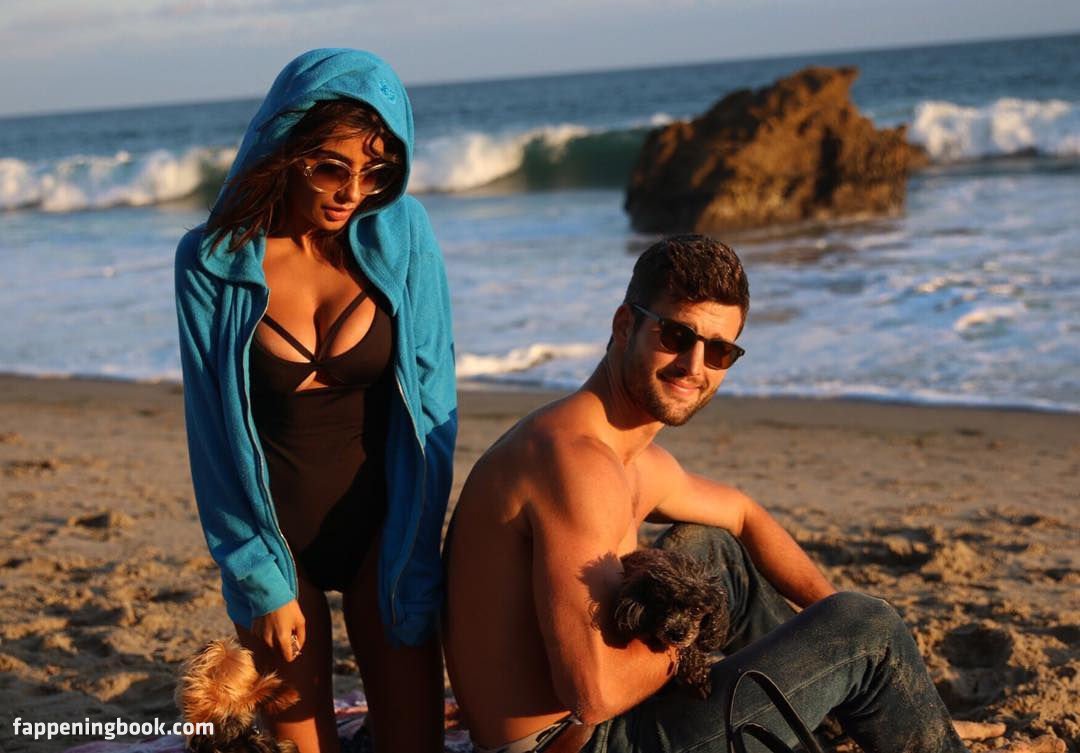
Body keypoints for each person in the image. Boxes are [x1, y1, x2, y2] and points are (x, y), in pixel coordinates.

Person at [443, 235, 968, 753]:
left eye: (718, 351)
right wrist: (691, 636)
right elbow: (594, 694)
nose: (694, 367)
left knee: (711, 549)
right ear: (625, 325)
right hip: (579, 742)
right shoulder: (576, 463)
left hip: (599, 727)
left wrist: (825, 624)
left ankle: (845, 705)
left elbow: (741, 513)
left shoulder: (627, 454)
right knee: (868, 626)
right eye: (676, 335)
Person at [174, 49, 456, 753]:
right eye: (332, 167)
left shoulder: (404, 234)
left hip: (384, 534)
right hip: (277, 541)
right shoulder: (211, 260)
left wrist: (416, 554)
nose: (352, 191)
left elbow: (433, 406)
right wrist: (257, 579)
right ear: (287, 144)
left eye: (377, 171)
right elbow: (212, 437)